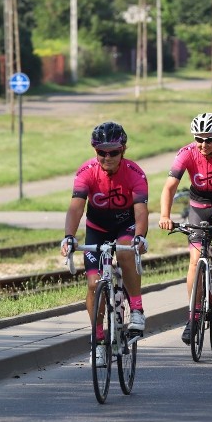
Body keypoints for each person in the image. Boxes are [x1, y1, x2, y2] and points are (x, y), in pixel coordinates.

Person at [60, 121, 149, 366]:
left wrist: (139, 237)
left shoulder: (134, 173)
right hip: (97, 229)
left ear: (123, 149)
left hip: (125, 226)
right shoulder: (86, 171)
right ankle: (98, 341)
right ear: (95, 150)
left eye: (113, 152)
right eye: (101, 152)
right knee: (92, 284)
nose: (107, 157)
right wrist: (69, 236)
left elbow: (141, 212)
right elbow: (76, 207)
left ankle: (138, 309)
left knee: (125, 252)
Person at [158, 112, 212, 345]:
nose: (204, 144)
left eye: (209, 139)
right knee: (195, 262)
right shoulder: (186, 154)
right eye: (199, 139)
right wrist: (165, 215)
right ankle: (193, 316)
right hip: (198, 206)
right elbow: (169, 188)